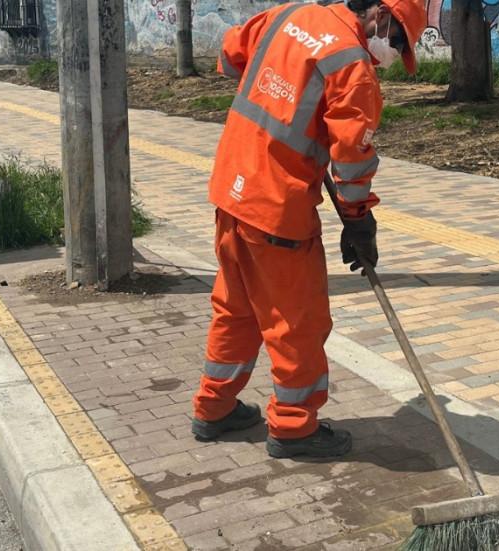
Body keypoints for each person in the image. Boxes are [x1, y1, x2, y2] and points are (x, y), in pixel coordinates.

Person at [190, 0, 426, 458]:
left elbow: (228, 55)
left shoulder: (288, 13)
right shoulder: (353, 67)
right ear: (378, 13)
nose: (393, 50)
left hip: (231, 188)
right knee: (297, 321)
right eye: (396, 38)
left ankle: (213, 407)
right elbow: (353, 160)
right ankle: (295, 427)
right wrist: (360, 223)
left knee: (236, 309)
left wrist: (283, 90)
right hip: (276, 206)